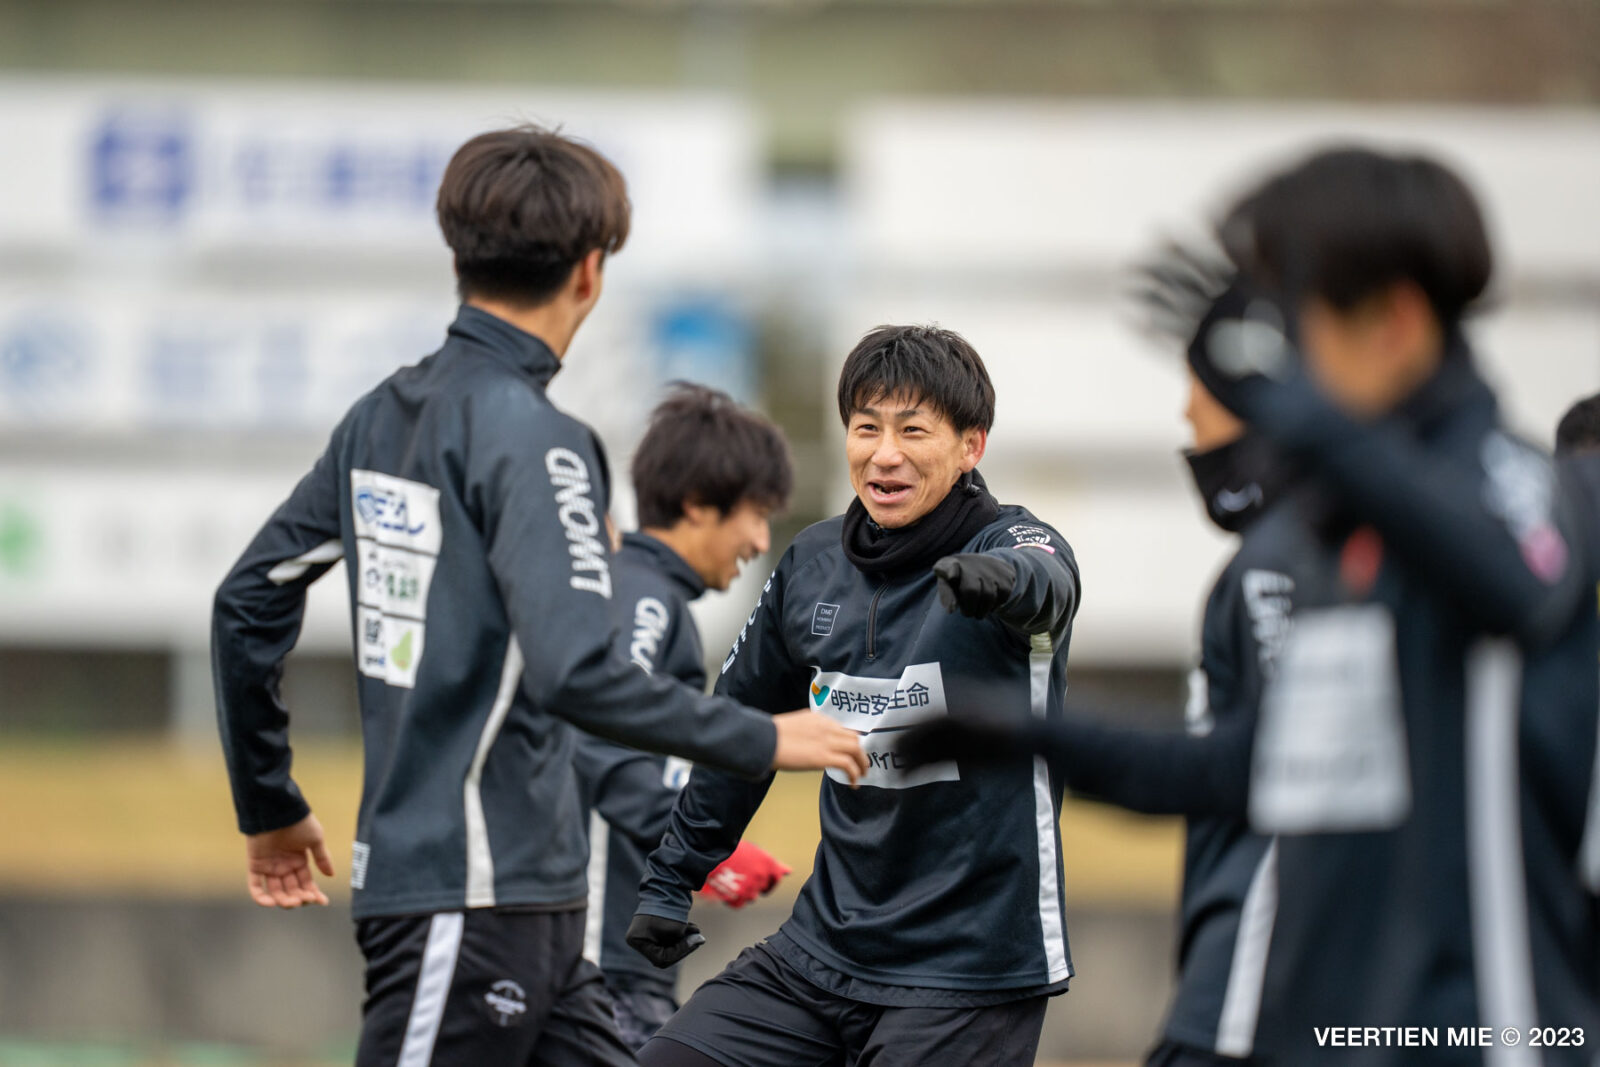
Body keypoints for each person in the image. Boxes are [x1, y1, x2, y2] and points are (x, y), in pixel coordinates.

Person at [211, 124, 867, 1067]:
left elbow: (247, 601)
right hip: (473, 896)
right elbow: (579, 675)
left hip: (526, 904)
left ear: (460, 255)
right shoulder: (541, 439)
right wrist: (766, 736)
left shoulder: (379, 417)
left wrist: (268, 799)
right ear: (590, 272)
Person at [1180, 147, 1599, 1064]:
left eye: (1299, 329)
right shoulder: (1335, 545)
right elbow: (1238, 772)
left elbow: (1516, 578)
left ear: (1397, 322)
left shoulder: (1522, 502)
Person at [627, 324, 1083, 1067]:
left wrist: (1001, 583)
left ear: (971, 446)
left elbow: (1050, 581)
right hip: (821, 951)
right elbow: (741, 722)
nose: (885, 453)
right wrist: (673, 876)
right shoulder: (811, 561)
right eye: (867, 428)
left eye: (913, 430)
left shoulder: (1012, 544)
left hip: (968, 973)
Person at [905, 361, 1295, 1067]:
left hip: (1260, 980)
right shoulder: (1296, 555)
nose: (1187, 414)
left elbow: (1253, 769)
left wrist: (1024, 732)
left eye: (1205, 389)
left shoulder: (1276, 567)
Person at [574, 383, 797, 1049]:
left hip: (620, 954)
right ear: (698, 504)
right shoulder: (643, 598)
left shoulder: (650, 595)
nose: (760, 540)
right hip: (600, 957)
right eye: (756, 516)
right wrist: (702, 855)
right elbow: (597, 739)